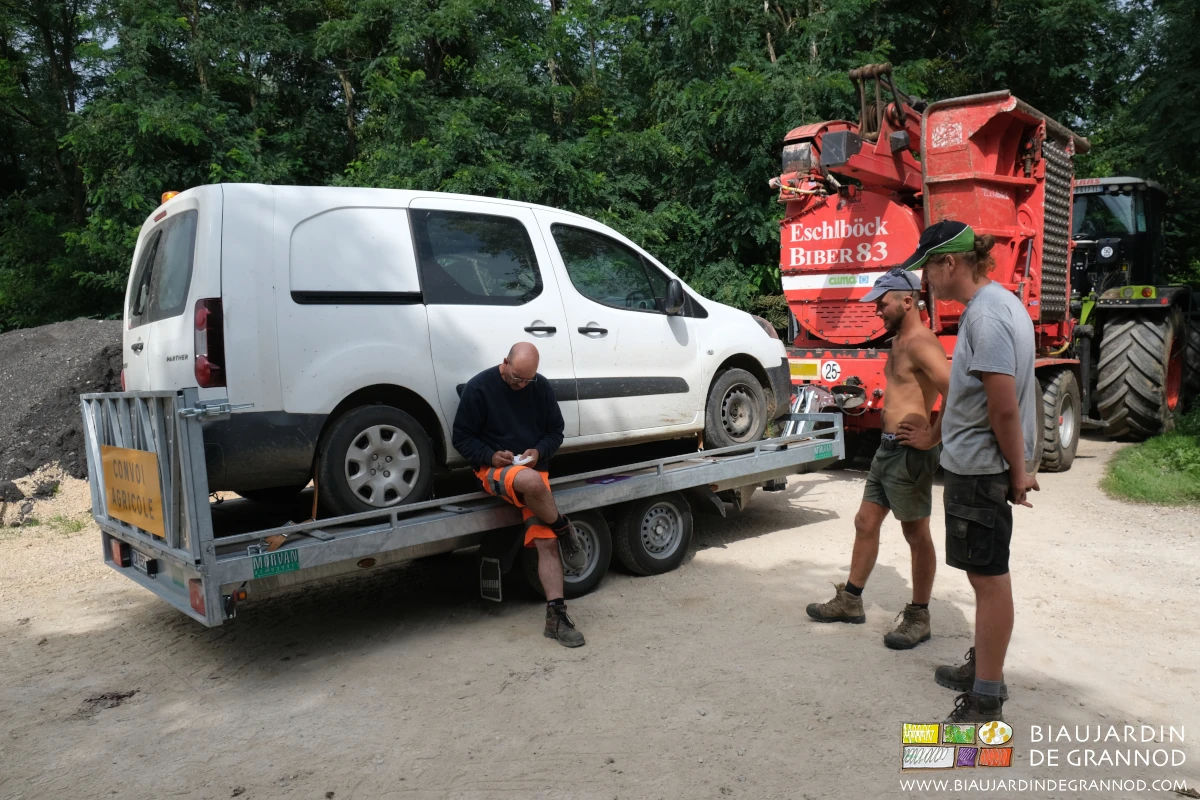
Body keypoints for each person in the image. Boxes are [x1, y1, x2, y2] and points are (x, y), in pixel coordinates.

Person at [906, 220, 1040, 723]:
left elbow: (1002, 406)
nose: (927, 283)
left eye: (929, 270)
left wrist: (1017, 471)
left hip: (979, 471)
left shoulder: (985, 318)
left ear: (950, 263)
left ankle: (986, 700)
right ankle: (984, 668)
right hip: (983, 468)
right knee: (985, 574)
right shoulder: (1003, 305)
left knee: (988, 579)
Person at [806, 267, 950, 650]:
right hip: (887, 450)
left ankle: (919, 616)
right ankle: (850, 602)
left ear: (907, 300)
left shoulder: (921, 342)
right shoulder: (899, 341)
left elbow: (956, 389)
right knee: (865, 521)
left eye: (882, 303)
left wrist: (932, 435)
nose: (876, 311)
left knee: (915, 535)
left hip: (909, 454)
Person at [452, 342, 589, 648]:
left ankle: (557, 618)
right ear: (505, 362)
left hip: (530, 469)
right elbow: (461, 438)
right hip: (493, 471)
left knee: (546, 542)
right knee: (532, 481)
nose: (521, 385)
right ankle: (564, 526)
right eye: (517, 378)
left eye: (527, 380)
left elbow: (556, 432)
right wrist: (489, 455)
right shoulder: (478, 388)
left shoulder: (539, 388)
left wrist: (539, 450)